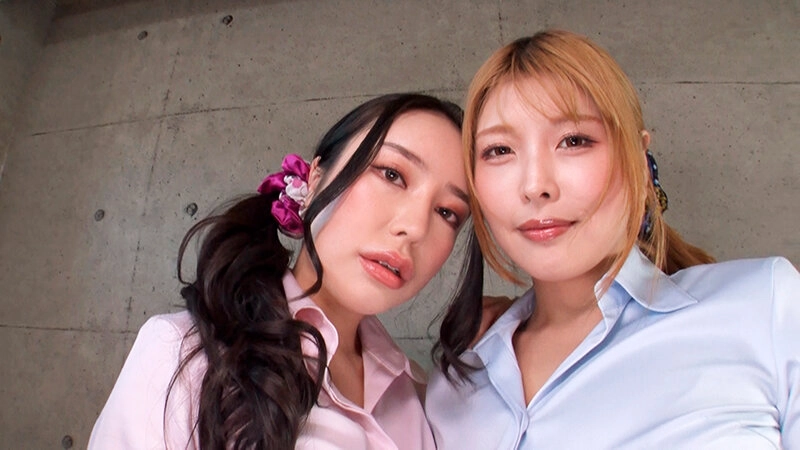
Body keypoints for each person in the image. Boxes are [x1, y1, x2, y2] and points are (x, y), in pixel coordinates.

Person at [427, 30, 799, 448]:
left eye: (574, 141)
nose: (535, 186)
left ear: (639, 161)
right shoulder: (454, 385)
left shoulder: (765, 307)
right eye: (499, 150)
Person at [89, 93, 474, 449]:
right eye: (392, 174)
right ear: (316, 178)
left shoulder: (416, 393)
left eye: (447, 212)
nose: (416, 227)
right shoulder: (184, 355)